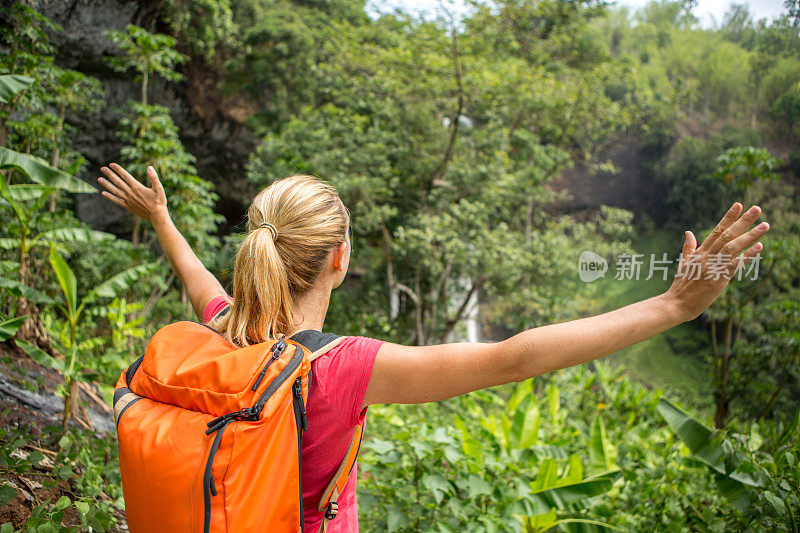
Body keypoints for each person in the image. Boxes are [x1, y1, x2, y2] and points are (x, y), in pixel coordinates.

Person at [98, 162, 769, 532]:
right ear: (342, 257)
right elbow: (515, 356)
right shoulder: (340, 366)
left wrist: (161, 218)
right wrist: (675, 303)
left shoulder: (226, 335)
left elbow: (202, 284)